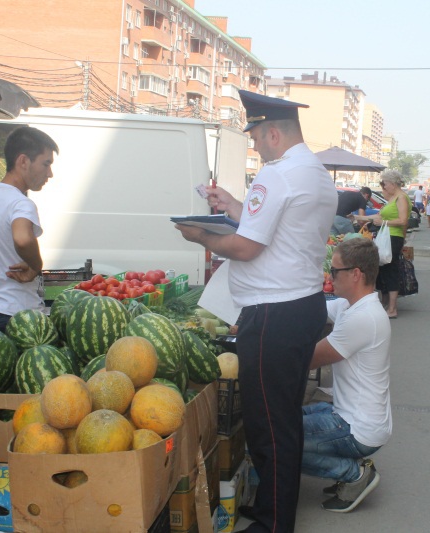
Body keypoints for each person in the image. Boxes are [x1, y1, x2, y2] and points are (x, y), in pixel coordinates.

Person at [175, 90, 337, 533]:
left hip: (272, 315)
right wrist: (233, 206)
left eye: (257, 138)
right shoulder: (315, 173)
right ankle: (274, 505)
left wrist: (200, 237)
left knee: (269, 426)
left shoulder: (277, 175)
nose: (256, 147)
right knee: (283, 417)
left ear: (272, 132)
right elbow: (283, 228)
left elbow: (245, 245)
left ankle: (273, 523)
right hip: (299, 305)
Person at [301, 238, 392, 513]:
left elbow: (309, 359)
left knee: (278, 437)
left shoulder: (363, 318)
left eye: (335, 271)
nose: (330, 276)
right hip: (350, 415)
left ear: (356, 274)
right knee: (290, 418)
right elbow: (311, 308)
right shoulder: (351, 306)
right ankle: (350, 470)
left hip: (357, 428)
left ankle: (353, 474)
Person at [0, 126, 58, 332]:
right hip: (20, 316)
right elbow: (23, 238)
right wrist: (36, 266)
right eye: (46, 164)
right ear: (23, 161)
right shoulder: (20, 203)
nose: (50, 173)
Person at [355, 169, 409, 318]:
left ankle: (392, 308)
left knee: (390, 270)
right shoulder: (393, 198)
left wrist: (383, 222)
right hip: (386, 237)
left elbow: (403, 221)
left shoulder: (401, 198)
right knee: (383, 270)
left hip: (393, 237)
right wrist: (357, 217)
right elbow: (378, 216)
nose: (383, 187)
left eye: (384, 184)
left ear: (392, 183)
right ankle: (386, 304)